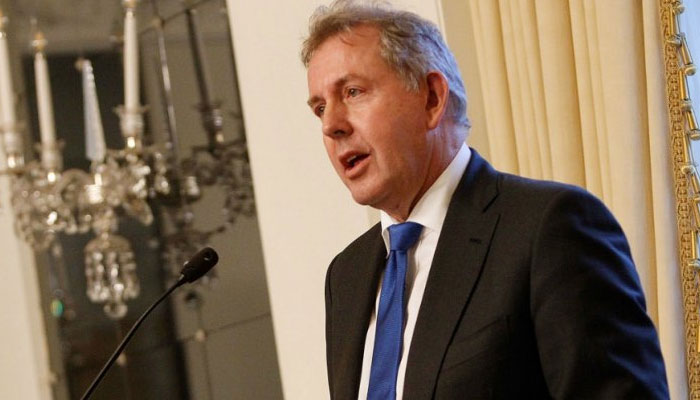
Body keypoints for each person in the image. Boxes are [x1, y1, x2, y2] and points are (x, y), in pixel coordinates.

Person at [302, 1, 669, 399]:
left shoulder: (547, 229)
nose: (331, 125)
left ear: (431, 98)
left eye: (353, 92)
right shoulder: (347, 277)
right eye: (320, 108)